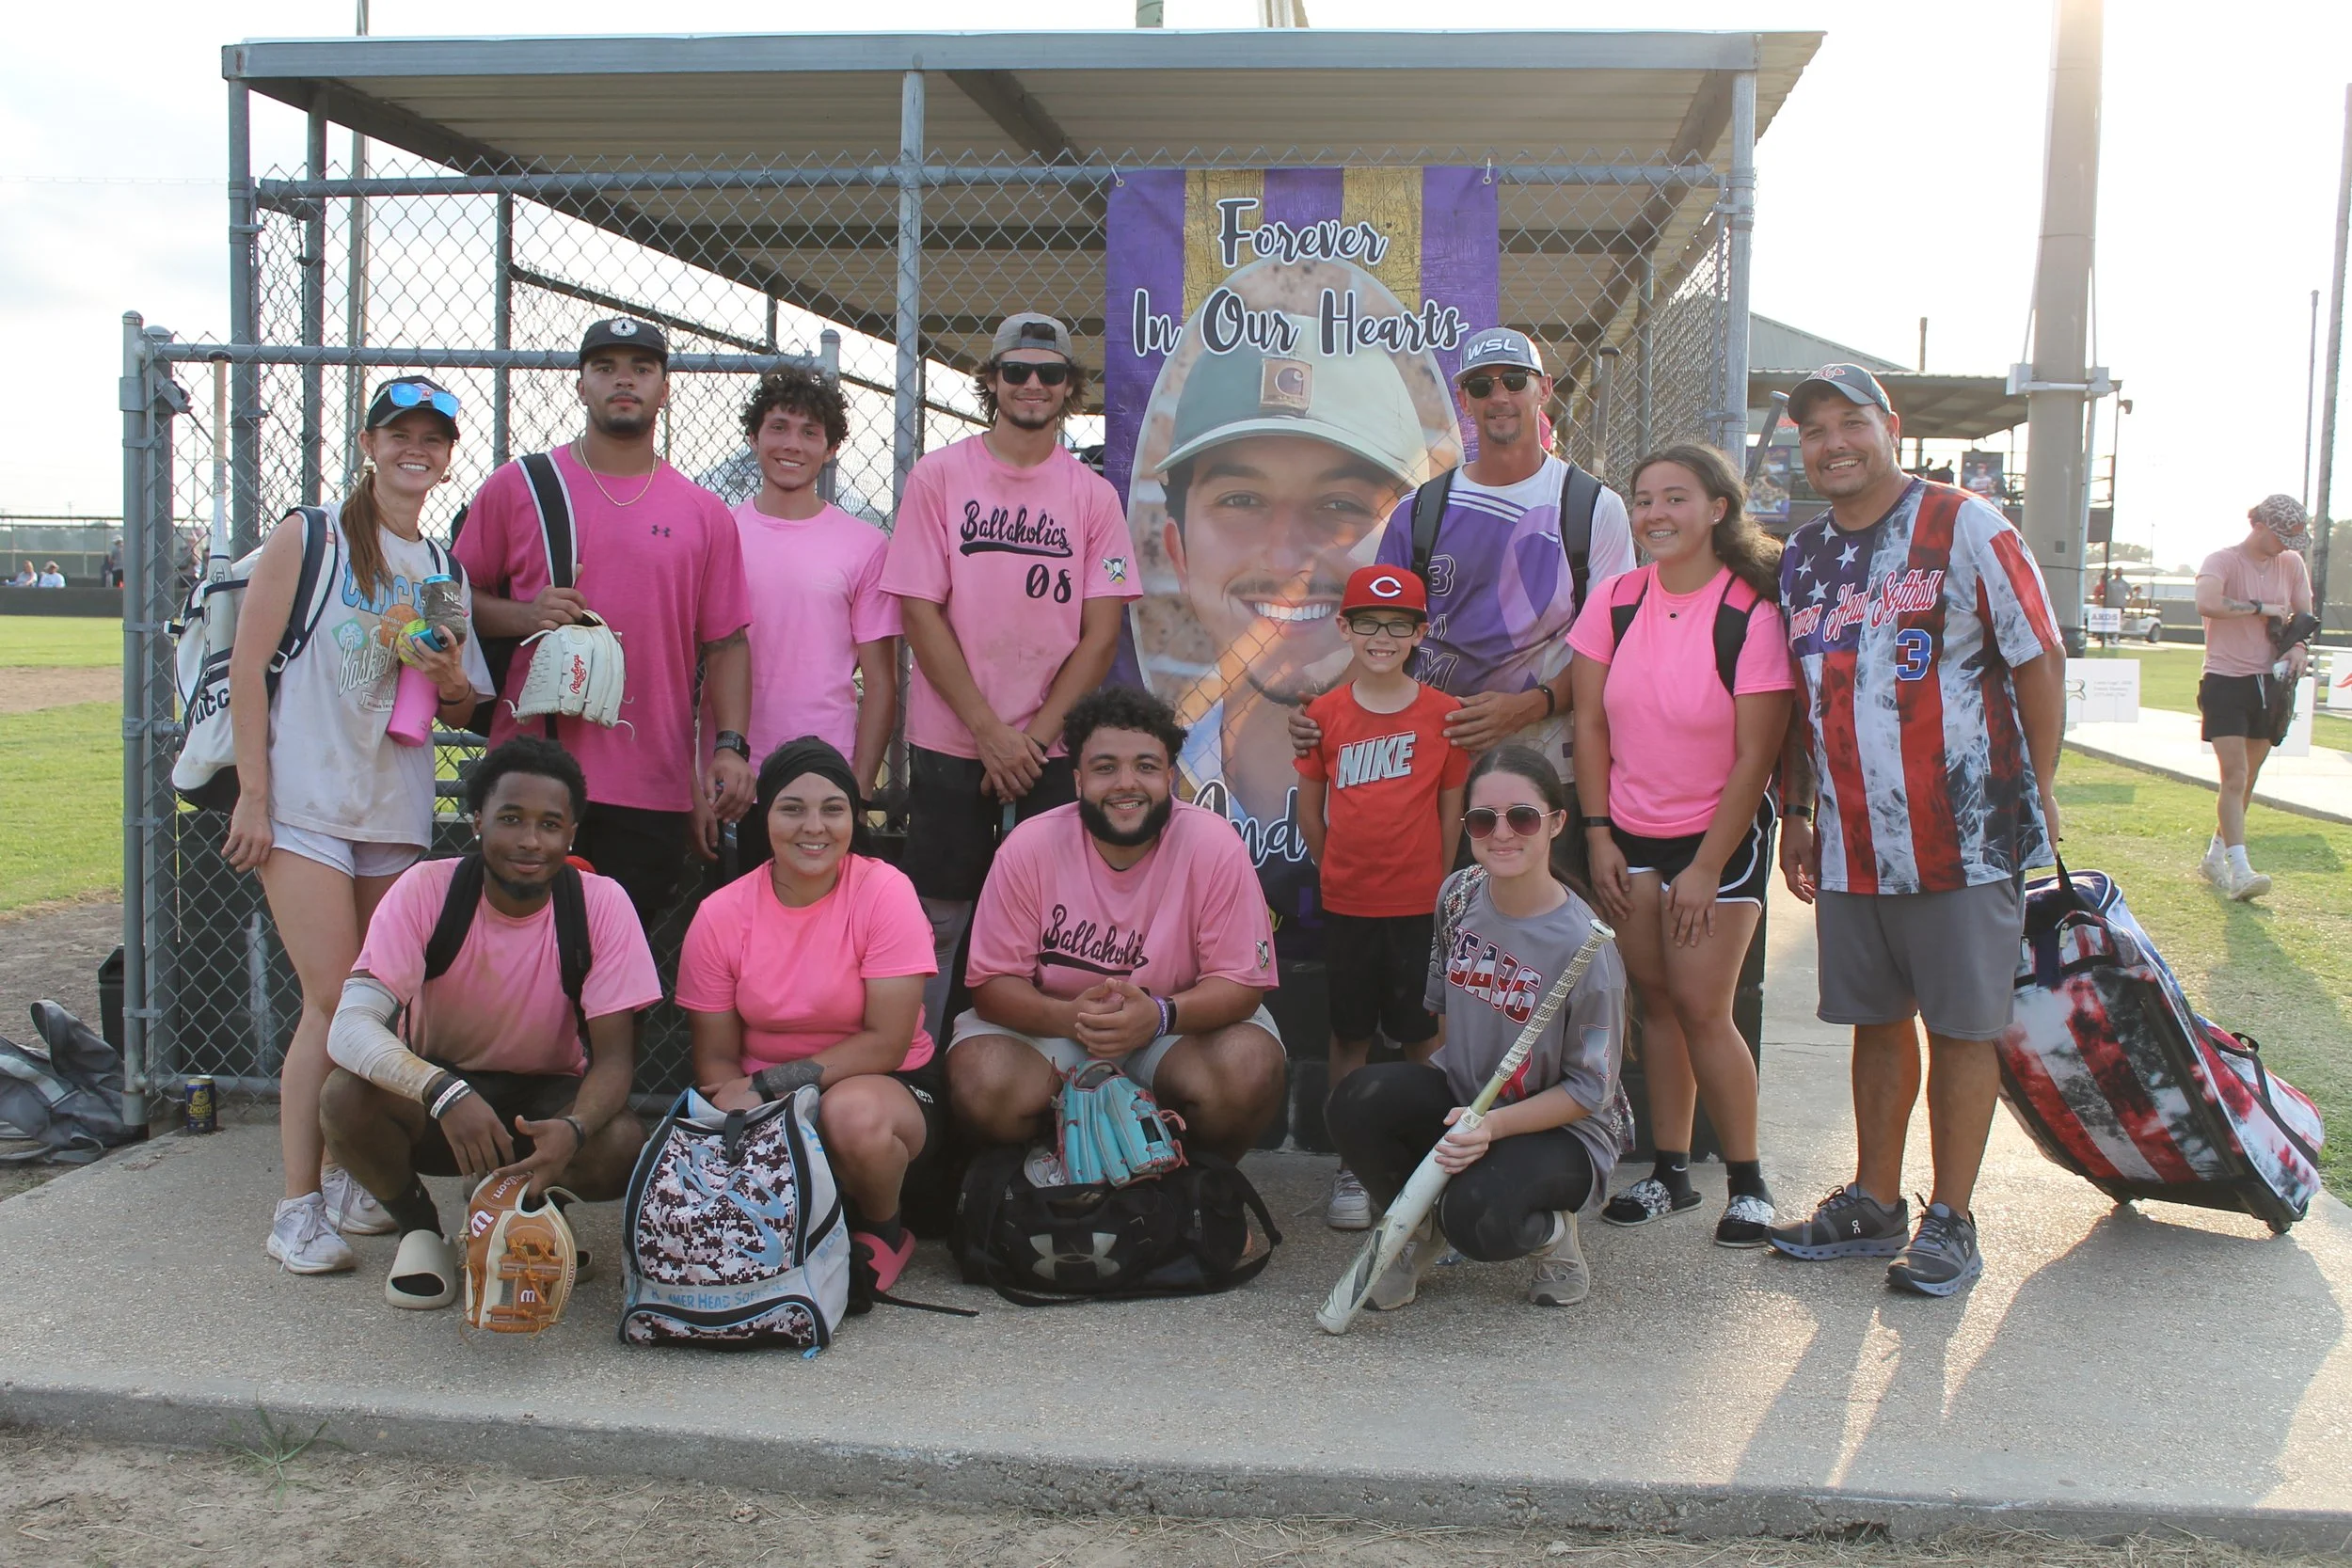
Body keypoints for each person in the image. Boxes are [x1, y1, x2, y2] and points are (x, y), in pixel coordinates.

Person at [1766, 363, 2065, 1299]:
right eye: (1813, 430)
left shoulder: (1964, 523)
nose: (1833, 443)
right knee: (1875, 1022)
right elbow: (1810, 699)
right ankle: (1875, 1198)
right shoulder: (1803, 553)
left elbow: (2037, 655)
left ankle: (1953, 1215)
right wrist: (1804, 812)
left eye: (1850, 422)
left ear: (1889, 424)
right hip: (1854, 838)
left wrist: (2038, 785)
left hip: (1962, 830)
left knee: (1962, 1026)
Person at [225, 374, 496, 1275]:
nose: (416, 448)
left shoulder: (444, 569)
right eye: (399, 432)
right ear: (370, 443)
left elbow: (463, 707)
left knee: (382, 1002)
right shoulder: (312, 537)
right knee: (335, 998)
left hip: (392, 809)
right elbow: (249, 666)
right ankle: (296, 1205)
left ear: (449, 457)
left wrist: (448, 670)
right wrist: (254, 797)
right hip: (304, 802)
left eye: (434, 437)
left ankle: (346, 1177)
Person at [320, 737, 662, 1310]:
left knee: (623, 1139)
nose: (530, 841)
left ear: (572, 832)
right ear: (476, 821)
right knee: (343, 1097)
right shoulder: (426, 889)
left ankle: (532, 1213)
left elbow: (615, 1061)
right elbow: (350, 1028)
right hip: (441, 1098)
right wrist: (443, 1092)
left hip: (542, 1103)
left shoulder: (601, 903)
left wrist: (573, 1131)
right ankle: (421, 1230)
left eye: (550, 824)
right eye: (510, 819)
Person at [1292, 326, 1638, 883]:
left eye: (1514, 380)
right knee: (1446, 934)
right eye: (1481, 384)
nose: (1498, 395)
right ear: (1465, 400)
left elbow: (1613, 655)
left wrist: (1531, 705)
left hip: (1551, 762)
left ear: (1543, 388)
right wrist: (1326, 715)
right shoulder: (1421, 510)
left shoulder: (1593, 506)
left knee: (1542, 936)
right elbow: (1383, 641)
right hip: (1439, 763)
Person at [882, 313, 1138, 1038]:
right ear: (990, 379)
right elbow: (919, 613)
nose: (1032, 384)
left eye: (1050, 373)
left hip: (1051, 750)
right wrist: (992, 735)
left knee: (1047, 926)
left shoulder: (1093, 497)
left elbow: (1101, 635)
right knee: (937, 918)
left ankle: (1038, 1084)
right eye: (1016, 371)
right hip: (954, 740)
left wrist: (1029, 741)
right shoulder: (939, 476)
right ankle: (922, 1077)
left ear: (1069, 389)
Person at [453, 317, 755, 929]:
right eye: (606, 367)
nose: (625, 380)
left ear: (664, 389)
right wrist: (524, 613)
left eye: (642, 369)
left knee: (620, 981)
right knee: (519, 967)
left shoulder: (703, 512)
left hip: (651, 780)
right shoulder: (522, 486)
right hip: (532, 773)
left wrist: (729, 747)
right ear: (581, 384)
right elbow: (450, 598)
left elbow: (727, 643)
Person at [1568, 444, 1792, 1247]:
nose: (1656, 513)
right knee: (1654, 1003)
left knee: (1703, 1005)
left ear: (1718, 510)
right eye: (1644, 499)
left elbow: (1754, 756)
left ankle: (1749, 1181)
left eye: (1676, 498)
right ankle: (1669, 1172)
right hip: (1626, 828)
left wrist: (1704, 868)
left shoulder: (1749, 610)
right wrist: (1596, 834)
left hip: (1715, 839)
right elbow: (1590, 724)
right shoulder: (1618, 599)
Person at [1326, 744, 1629, 1311]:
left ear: (1556, 823)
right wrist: (1447, 1135)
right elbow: (1443, 1021)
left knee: (1478, 1219)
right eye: (1483, 819)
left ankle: (1553, 1237)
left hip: (1562, 1130)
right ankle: (1416, 1231)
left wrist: (1491, 1129)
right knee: (1357, 1100)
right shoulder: (1459, 894)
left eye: (1522, 817)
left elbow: (1591, 1091)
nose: (1502, 833)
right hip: (1471, 1102)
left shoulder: (1587, 948)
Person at [1154, 320, 1426, 919]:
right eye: (1241, 501)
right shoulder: (1145, 776)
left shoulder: (1441, 763)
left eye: (1341, 506)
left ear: (1408, 547)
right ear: (1179, 553)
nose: (1286, 558)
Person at [947, 685, 1285, 1164]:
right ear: (1079, 780)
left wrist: (1160, 1014)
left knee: (1248, 1065)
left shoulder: (1213, 843)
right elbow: (992, 985)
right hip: (1056, 1025)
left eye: (1146, 767)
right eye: (1105, 767)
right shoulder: (1030, 845)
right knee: (982, 1076)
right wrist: (1071, 1018)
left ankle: (1202, 1192)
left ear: (1170, 777)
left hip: (1172, 1028)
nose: (1126, 782)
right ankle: (1053, 1179)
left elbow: (1240, 984)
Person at [678, 737, 940, 1303]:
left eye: (833, 808)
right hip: (760, 1097)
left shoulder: (884, 893)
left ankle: (883, 1229)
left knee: (852, 1116)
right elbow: (716, 1058)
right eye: (792, 808)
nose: (813, 827)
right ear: (764, 815)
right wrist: (739, 1103)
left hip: (881, 1085)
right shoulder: (720, 914)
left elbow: (887, 1044)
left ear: (852, 816)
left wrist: (772, 1084)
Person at [1293, 565, 1469, 1228]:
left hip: (1420, 907)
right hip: (1349, 905)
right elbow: (1312, 811)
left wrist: (1435, 884)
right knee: (1350, 1035)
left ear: (1420, 633)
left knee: (1424, 1038)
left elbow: (1451, 811)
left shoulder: (1443, 715)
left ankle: (1429, 1158)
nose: (1383, 636)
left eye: (1399, 625)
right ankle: (1352, 1162)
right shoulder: (1325, 715)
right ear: (1344, 627)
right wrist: (1334, 866)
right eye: (1368, 622)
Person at [728, 368, 898, 788]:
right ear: (754, 437)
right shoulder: (719, 533)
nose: (792, 445)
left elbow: (880, 683)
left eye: (809, 432)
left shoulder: (865, 545)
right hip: (731, 773)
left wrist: (857, 787)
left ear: (831, 448)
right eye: (779, 428)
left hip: (824, 772)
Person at [2194, 494, 2316, 902]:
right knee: (2234, 776)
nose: (2286, 547)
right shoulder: (2222, 560)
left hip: (2272, 682)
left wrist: (2298, 648)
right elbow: (2207, 603)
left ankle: (2215, 855)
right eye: (2280, 536)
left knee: (2249, 775)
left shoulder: (2291, 563)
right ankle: (2241, 869)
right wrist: (2260, 607)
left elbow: (2303, 617)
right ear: (2259, 525)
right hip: (2226, 679)